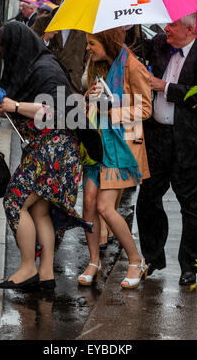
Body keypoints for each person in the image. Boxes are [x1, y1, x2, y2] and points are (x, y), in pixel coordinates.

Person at [0, 21, 101, 291]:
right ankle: (46, 274)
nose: (4, 55)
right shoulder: (40, 65)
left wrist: (15, 105)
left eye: (5, 49)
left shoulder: (45, 69)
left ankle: (28, 267)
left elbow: (53, 110)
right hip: (56, 151)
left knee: (15, 202)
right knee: (40, 210)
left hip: (53, 150)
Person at [135, 14, 197, 286]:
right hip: (157, 138)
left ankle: (190, 266)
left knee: (191, 208)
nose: (166, 29)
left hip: (188, 143)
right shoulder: (161, 43)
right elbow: (136, 47)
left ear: (189, 29)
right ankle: (153, 257)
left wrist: (165, 87)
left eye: (172, 25)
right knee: (148, 200)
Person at [78, 27, 152, 289]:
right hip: (96, 144)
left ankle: (136, 260)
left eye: (92, 43)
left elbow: (145, 109)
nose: (88, 48)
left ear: (107, 42)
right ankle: (94, 262)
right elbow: (92, 100)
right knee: (88, 203)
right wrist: (91, 100)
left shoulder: (133, 66)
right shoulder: (98, 65)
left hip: (121, 146)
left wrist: (111, 108)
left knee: (104, 207)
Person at [31, 0, 87, 94]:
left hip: (74, 88)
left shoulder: (84, 26)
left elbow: (88, 58)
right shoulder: (42, 22)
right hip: (46, 85)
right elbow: (30, 49)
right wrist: (45, 38)